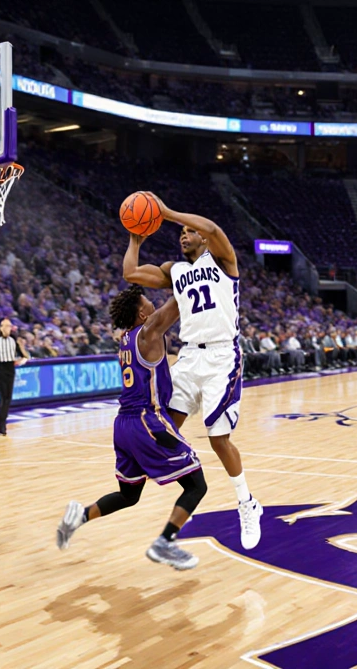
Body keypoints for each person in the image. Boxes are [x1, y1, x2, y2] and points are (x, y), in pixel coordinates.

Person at [122, 193, 262, 549]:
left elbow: (213, 227)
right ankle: (172, 474)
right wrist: (134, 237)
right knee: (165, 424)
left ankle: (246, 502)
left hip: (221, 357)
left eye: (189, 231)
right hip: (188, 357)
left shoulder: (223, 262)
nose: (183, 235)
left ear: (201, 238)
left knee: (218, 439)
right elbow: (131, 274)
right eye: (180, 232)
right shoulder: (175, 271)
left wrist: (166, 212)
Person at [56, 286, 208, 570]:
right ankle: (165, 542)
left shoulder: (125, 338)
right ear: (142, 312)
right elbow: (176, 305)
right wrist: (191, 274)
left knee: (129, 495)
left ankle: (80, 516)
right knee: (196, 485)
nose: (154, 303)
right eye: (149, 301)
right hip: (146, 422)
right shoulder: (148, 332)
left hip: (123, 425)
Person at [0, 318, 29, 436]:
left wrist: (19, 362)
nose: (7, 329)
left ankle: (2, 420)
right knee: (4, 397)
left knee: (7, 398)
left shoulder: (14, 341)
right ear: (1, 328)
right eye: (5, 326)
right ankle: (2, 424)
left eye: (9, 326)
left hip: (10, 368)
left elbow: (24, 356)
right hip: (1, 369)